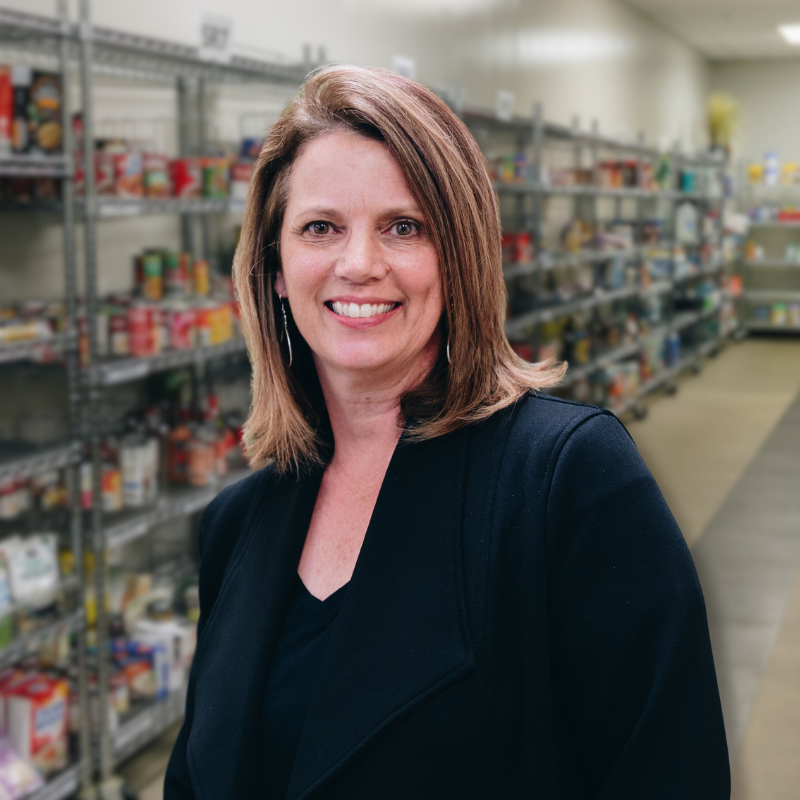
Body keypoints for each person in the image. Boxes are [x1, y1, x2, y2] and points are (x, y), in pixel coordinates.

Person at [165, 65, 729, 799]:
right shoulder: (236, 527)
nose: (359, 265)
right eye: (320, 228)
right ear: (275, 267)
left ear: (459, 255)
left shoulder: (570, 481)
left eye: (403, 227)